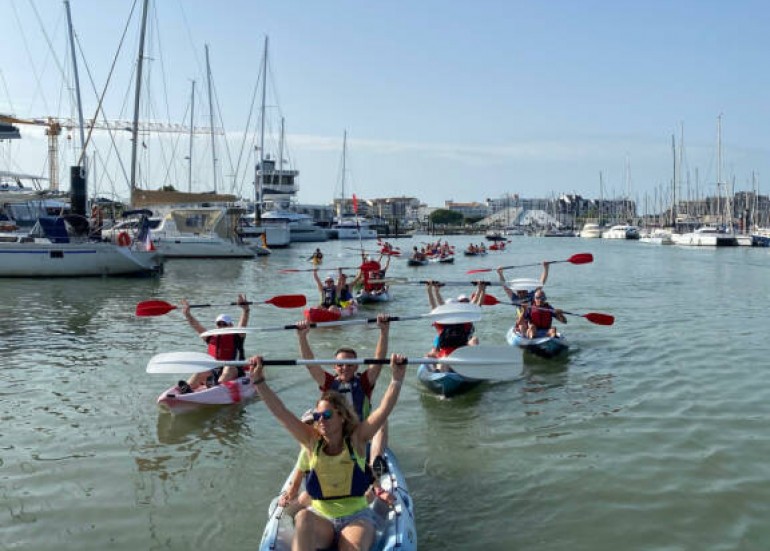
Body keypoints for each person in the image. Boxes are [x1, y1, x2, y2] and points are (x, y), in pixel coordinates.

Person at [248, 353, 407, 551]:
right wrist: (259, 381)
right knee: (303, 515)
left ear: (341, 417)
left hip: (357, 518)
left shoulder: (356, 440)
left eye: (327, 414)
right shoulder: (311, 442)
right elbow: (281, 412)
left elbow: (383, 410)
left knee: (353, 546)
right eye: (317, 415)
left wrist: (397, 379)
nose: (321, 419)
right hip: (322, 518)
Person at [295, 314, 390, 471]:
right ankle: (309, 462)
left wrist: (384, 332)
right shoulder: (328, 383)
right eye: (340, 365)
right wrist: (302, 337)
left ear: (356, 367)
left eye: (350, 364)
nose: (345, 368)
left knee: (382, 419)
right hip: (333, 433)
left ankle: (376, 462)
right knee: (307, 420)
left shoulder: (365, 382)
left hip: (359, 433)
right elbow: (310, 364)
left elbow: (378, 359)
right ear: (334, 367)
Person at [177, 294, 250, 393]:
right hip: (215, 369)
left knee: (228, 367)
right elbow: (196, 326)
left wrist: (245, 310)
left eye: (224, 324)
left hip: (234, 369)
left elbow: (243, 323)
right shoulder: (211, 337)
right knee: (201, 371)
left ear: (231, 325)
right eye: (219, 324)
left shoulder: (238, 336)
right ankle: (187, 388)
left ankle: (215, 387)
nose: (221, 326)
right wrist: (187, 314)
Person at [425, 281, 487, 368]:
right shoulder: (442, 324)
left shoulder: (464, 321)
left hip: (461, 355)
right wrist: (430, 291)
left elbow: (475, 306)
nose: (453, 313)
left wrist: (481, 289)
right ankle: (440, 371)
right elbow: (434, 307)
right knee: (441, 364)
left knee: (474, 340)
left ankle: (471, 368)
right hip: (445, 355)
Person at [497, 261, 551, 335]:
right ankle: (526, 336)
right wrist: (500, 274)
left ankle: (533, 334)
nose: (522, 293)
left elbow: (541, 283)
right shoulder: (515, 298)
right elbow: (505, 287)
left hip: (533, 319)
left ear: (526, 291)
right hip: (522, 319)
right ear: (517, 292)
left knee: (532, 325)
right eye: (519, 292)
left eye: (523, 291)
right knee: (522, 326)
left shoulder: (531, 295)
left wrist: (546, 268)